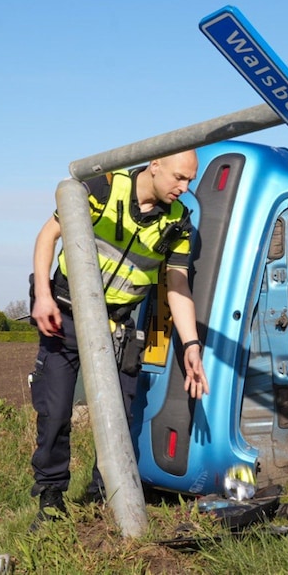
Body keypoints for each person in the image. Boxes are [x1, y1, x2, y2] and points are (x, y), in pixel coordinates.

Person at [28, 149, 209, 527]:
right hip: (67, 316)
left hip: (119, 326)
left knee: (121, 417)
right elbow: (48, 236)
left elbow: (177, 285)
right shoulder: (105, 188)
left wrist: (191, 346)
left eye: (190, 180)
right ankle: (50, 499)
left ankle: (102, 499)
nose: (185, 187)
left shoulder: (178, 220)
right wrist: (42, 295)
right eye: (179, 177)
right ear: (154, 164)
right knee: (56, 409)